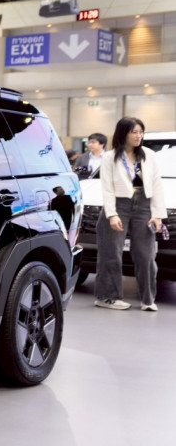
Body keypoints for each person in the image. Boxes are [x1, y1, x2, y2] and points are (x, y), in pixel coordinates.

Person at [95, 116, 167, 312]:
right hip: (119, 204)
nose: (138, 136)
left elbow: (157, 185)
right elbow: (107, 187)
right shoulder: (110, 157)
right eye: (134, 132)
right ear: (123, 133)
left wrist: (158, 214)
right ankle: (107, 297)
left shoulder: (149, 155)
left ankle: (148, 300)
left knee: (146, 254)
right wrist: (111, 214)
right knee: (111, 253)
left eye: (141, 132)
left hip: (144, 204)